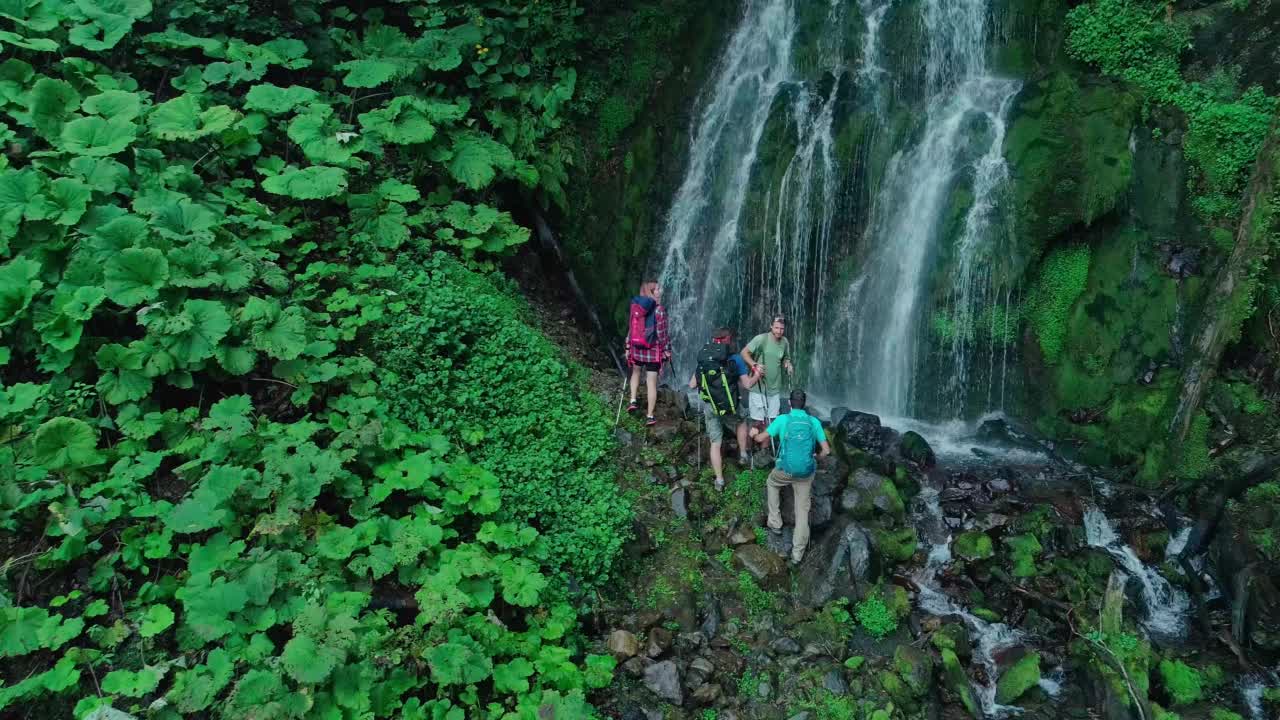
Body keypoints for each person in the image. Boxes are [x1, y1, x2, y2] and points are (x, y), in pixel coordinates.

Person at [750, 389, 830, 565]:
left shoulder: (783, 419)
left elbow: (760, 438)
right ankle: (797, 555)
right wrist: (817, 457)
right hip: (806, 473)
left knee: (771, 482)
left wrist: (753, 433)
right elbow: (826, 450)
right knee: (802, 511)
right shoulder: (813, 421)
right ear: (805, 404)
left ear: (789, 403)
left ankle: (775, 523)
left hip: (786, 470)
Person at [688, 328, 765, 490]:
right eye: (730, 338)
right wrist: (757, 373)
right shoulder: (735, 358)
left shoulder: (704, 358)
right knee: (742, 420)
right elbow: (747, 384)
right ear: (726, 339)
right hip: (731, 405)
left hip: (711, 406)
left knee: (715, 442)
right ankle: (743, 454)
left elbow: (692, 384)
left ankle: (719, 481)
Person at [625, 280, 672, 427]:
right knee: (651, 382)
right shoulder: (659, 310)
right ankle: (650, 416)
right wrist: (666, 350)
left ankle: (633, 400)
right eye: (657, 289)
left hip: (637, 348)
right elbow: (662, 334)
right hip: (652, 351)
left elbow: (631, 328)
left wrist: (628, 346)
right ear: (652, 292)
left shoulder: (636, 307)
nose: (660, 291)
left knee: (636, 372)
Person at [740, 315, 794, 426]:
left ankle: (766, 443)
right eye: (776, 328)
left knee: (771, 423)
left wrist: (788, 364)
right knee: (757, 423)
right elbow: (744, 353)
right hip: (759, 388)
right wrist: (754, 364)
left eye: (782, 329)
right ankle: (752, 441)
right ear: (771, 326)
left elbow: (786, 357)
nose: (779, 331)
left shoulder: (785, 342)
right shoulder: (761, 339)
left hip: (774, 390)